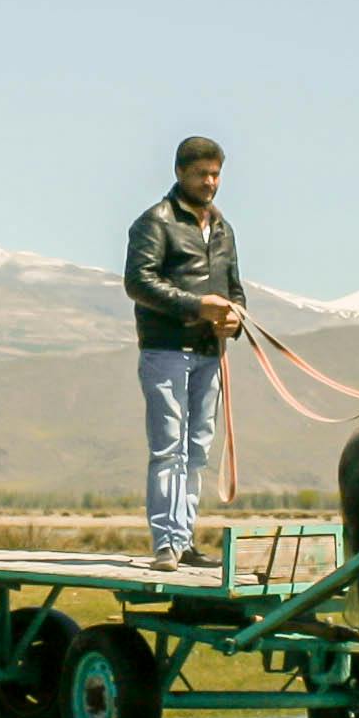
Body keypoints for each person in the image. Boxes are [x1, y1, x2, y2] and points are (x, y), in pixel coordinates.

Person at [125, 135, 245, 569]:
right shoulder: (154, 222)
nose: (210, 182)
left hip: (209, 355)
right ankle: (166, 543)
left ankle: (185, 538)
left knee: (197, 449)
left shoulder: (224, 229)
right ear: (180, 173)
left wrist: (235, 318)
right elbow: (138, 282)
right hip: (165, 351)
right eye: (202, 174)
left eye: (216, 174)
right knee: (168, 447)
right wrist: (197, 306)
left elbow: (235, 291)